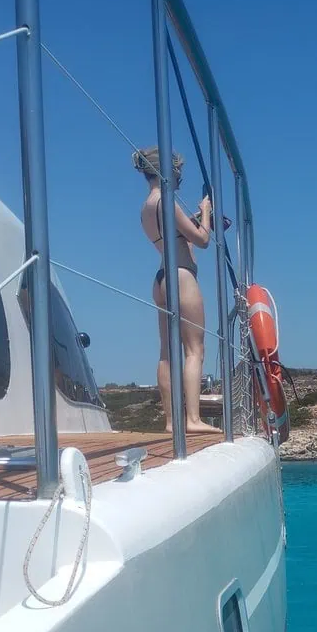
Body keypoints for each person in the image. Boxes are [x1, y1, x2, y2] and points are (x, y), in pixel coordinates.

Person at [132, 147, 216, 433]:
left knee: (166, 352)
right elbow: (203, 241)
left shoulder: (147, 206)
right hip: (181, 276)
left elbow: (175, 236)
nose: (180, 176)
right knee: (195, 350)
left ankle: (171, 422)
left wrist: (190, 223)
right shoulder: (167, 200)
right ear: (169, 171)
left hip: (161, 278)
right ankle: (192, 420)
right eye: (178, 170)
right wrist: (205, 214)